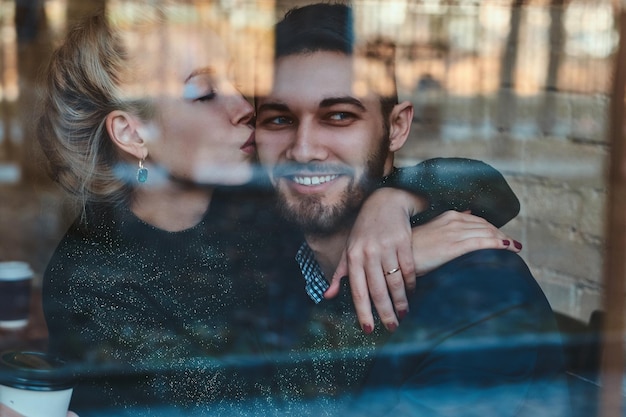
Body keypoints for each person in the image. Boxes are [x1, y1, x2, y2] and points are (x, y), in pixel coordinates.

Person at [26, 2, 519, 415]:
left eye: (239, 84)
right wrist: (376, 275)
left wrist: (393, 201)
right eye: (204, 93)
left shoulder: (256, 195)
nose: (246, 107)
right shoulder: (92, 280)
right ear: (134, 133)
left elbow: (491, 187)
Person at [253, 3, 571, 416]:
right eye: (279, 120)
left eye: (339, 116)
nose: (304, 149)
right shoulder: (268, 257)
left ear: (397, 127)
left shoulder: (481, 294)